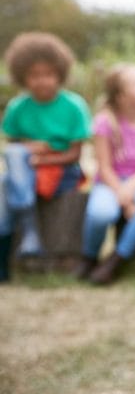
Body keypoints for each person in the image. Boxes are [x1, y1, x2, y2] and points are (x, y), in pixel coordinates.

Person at [0, 32, 92, 281]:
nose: (42, 81)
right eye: (34, 75)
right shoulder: (18, 107)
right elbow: (14, 145)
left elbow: (74, 154)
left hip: (61, 172)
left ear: (59, 74)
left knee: (7, 187)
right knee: (10, 170)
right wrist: (30, 148)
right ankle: (27, 238)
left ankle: (16, 250)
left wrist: (41, 159)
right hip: (26, 172)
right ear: (22, 76)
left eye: (48, 74)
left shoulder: (74, 106)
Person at [74, 64, 135, 285]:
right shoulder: (104, 122)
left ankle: (116, 260)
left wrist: (131, 187)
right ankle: (89, 257)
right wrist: (125, 200)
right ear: (121, 96)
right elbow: (104, 168)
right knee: (101, 214)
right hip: (109, 181)